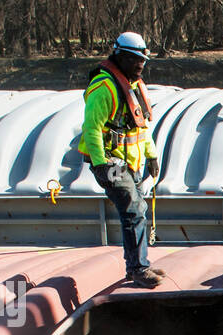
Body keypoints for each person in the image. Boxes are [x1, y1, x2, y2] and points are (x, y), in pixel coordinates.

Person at [79, 32, 166, 288]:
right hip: (110, 161)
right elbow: (92, 128)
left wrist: (151, 155)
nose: (140, 65)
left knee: (138, 209)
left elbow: (140, 127)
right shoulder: (104, 88)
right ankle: (139, 269)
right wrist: (101, 163)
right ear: (120, 56)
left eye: (143, 61)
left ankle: (136, 266)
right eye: (135, 60)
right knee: (133, 209)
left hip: (132, 162)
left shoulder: (135, 85)